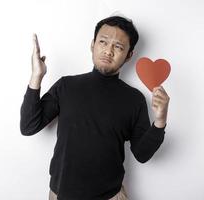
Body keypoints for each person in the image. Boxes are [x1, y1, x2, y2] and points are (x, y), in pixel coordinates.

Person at [20, 15, 170, 200]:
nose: (108, 51)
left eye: (118, 46)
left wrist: (160, 121)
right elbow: (28, 126)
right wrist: (37, 76)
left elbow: (142, 154)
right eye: (103, 42)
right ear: (93, 44)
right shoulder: (66, 86)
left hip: (110, 196)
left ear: (129, 55)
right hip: (61, 195)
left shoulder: (134, 99)